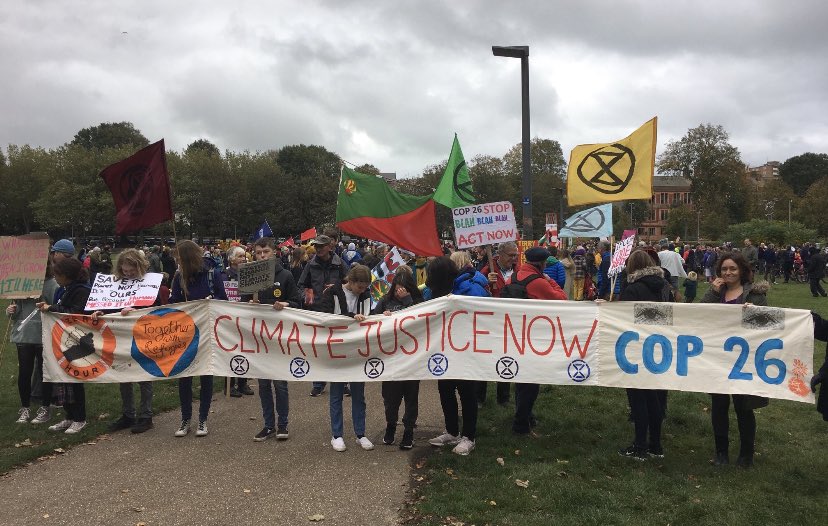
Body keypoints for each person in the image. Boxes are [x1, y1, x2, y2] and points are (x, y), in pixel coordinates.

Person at [700, 252, 768, 467]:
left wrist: (755, 313)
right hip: (717, 358)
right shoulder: (716, 292)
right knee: (719, 406)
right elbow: (698, 314)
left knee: (743, 407)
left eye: (732, 269)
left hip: (743, 361)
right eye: (724, 269)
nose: (728, 273)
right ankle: (721, 452)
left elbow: (766, 324)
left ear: (741, 271)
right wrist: (712, 292)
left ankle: (746, 454)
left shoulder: (754, 295)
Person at [96, 249, 161, 434]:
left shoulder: (150, 283)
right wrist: (101, 311)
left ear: (139, 267)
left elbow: (156, 305)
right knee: (123, 374)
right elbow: (110, 303)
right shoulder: (116, 283)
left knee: (143, 374)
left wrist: (135, 308)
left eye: (131, 271)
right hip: (121, 334)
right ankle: (128, 414)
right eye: (125, 271)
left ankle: (146, 415)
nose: (128, 274)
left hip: (142, 333)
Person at [242, 237, 300, 442]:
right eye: (258, 252)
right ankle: (268, 425)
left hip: (279, 339)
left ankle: (282, 424)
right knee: (264, 385)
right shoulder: (250, 276)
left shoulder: (285, 276)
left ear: (274, 252)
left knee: (280, 384)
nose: (262, 255)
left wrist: (285, 303)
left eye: (266, 251)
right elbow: (241, 304)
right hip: (258, 339)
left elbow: (297, 302)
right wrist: (250, 303)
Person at [170, 240, 228, 437]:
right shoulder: (179, 277)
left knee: (205, 374)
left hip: (207, 333)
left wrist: (211, 302)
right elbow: (174, 302)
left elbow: (223, 299)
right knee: (184, 376)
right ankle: (185, 418)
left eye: (178, 258)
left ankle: (202, 418)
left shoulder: (212, 274)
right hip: (185, 333)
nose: (176, 262)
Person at [616, 249, 670, 460]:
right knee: (655, 398)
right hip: (661, 347)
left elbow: (622, 319)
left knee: (639, 399)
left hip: (637, 349)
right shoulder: (665, 286)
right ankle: (656, 445)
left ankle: (640, 446)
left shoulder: (633, 289)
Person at [510, 247, 567, 435]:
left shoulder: (515, 276)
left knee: (521, 380)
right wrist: (552, 282)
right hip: (533, 337)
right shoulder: (538, 282)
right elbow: (562, 299)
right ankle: (521, 425)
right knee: (531, 383)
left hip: (516, 334)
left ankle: (525, 416)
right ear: (542, 264)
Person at [317, 264, 374, 452]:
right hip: (337, 349)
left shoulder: (365, 296)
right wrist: (350, 317)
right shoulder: (332, 292)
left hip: (358, 350)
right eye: (360, 287)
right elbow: (325, 317)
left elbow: (372, 316)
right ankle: (337, 435)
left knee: (359, 394)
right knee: (336, 393)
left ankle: (360, 433)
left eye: (365, 287)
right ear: (351, 281)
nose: (362, 291)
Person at [427, 256, 478, 455]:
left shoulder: (470, 289)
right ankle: (452, 431)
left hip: (467, 351)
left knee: (467, 394)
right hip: (444, 350)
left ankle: (469, 436)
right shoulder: (434, 293)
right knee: (446, 391)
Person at [36, 257, 92, 434]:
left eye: (58, 274)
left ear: (67, 276)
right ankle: (69, 415)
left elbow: (75, 313)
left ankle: (80, 418)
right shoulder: (63, 290)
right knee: (62, 378)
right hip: (61, 340)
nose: (55, 276)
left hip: (76, 341)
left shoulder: (82, 291)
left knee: (75, 380)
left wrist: (51, 309)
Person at [374, 268, 423, 449]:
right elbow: (372, 322)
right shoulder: (385, 301)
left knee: (411, 397)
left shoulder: (418, 302)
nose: (398, 293)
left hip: (412, 359)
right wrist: (381, 317)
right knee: (390, 397)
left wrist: (407, 301)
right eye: (396, 289)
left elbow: (421, 321)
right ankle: (391, 425)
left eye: (403, 290)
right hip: (391, 359)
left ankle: (409, 430)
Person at [7, 258, 59, 425]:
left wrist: (47, 305)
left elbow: (57, 309)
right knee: (25, 372)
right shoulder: (22, 284)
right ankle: (25, 407)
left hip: (44, 334)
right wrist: (11, 311)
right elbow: (16, 313)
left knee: (45, 372)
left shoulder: (52, 284)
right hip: (25, 336)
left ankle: (45, 407)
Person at [299, 235, 347, 397]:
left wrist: (338, 287)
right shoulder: (310, 265)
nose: (318, 248)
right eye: (316, 246)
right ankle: (318, 383)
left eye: (321, 246)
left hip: (336, 311)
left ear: (329, 246)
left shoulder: (339, 264)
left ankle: (342, 382)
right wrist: (309, 298)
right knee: (318, 348)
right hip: (317, 312)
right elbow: (301, 285)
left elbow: (350, 283)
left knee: (338, 347)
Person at [479, 242, 519, 405]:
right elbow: (477, 290)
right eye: (510, 255)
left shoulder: (518, 270)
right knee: (483, 360)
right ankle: (479, 398)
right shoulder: (488, 269)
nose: (514, 258)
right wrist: (486, 281)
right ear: (500, 255)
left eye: (515, 255)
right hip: (490, 322)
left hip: (510, 322)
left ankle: (503, 398)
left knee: (506, 358)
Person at [224, 245, 253, 396]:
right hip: (230, 316)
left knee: (246, 349)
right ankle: (229, 384)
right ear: (231, 259)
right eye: (240, 256)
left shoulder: (248, 274)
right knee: (230, 350)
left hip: (245, 316)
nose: (244, 258)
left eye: (244, 256)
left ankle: (243, 382)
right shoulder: (225, 274)